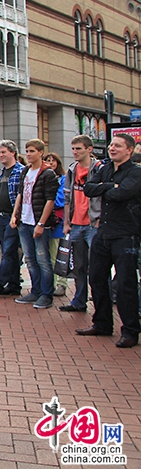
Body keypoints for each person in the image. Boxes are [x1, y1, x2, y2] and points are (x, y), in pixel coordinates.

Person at [77, 133, 141, 348]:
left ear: (129, 150)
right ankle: (102, 323)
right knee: (96, 278)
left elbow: (121, 194)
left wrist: (106, 188)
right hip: (102, 233)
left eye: (118, 146)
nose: (113, 149)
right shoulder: (104, 169)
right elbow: (88, 189)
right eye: (112, 145)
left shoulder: (136, 172)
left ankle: (130, 331)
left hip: (125, 234)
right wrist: (108, 186)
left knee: (125, 284)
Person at [10, 138, 58, 309]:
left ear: (40, 152)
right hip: (24, 220)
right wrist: (15, 215)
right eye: (27, 151)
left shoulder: (47, 173)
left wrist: (41, 223)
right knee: (30, 258)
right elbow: (20, 194)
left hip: (38, 222)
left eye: (32, 151)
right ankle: (36, 290)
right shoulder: (25, 172)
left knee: (43, 259)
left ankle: (47, 294)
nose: (29, 154)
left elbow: (50, 200)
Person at [59, 135, 102, 313]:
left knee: (98, 266)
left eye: (79, 149)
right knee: (78, 266)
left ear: (89, 149)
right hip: (76, 224)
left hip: (93, 224)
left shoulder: (99, 169)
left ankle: (101, 303)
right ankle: (79, 301)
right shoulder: (72, 169)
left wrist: (100, 219)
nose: (75, 152)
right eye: (73, 149)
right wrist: (67, 223)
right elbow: (67, 198)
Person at [0, 140, 25, 299]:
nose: (1, 155)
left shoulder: (20, 171)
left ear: (13, 153)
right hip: (0, 218)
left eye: (3, 152)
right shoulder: (3, 172)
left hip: (13, 218)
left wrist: (16, 216)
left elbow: (21, 197)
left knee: (8, 252)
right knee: (9, 252)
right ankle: (14, 285)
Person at [43, 152, 68, 297]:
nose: (50, 163)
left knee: (59, 254)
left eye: (53, 161)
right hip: (44, 222)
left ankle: (61, 284)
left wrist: (48, 202)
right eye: (47, 160)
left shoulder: (63, 179)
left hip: (58, 221)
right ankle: (49, 283)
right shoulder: (42, 177)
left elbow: (60, 199)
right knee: (46, 255)